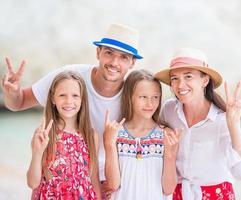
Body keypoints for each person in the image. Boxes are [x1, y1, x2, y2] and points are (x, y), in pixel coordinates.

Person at [1, 23, 143, 195]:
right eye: (109, 53)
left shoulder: (134, 95)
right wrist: (12, 92)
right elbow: (18, 102)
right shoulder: (70, 78)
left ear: (133, 62)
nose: (114, 62)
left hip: (110, 183)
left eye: (123, 57)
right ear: (98, 52)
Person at [154, 47, 241, 200]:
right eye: (175, 78)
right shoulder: (169, 110)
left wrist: (234, 125)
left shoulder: (222, 120)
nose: (180, 85)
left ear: (205, 80)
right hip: (178, 194)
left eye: (188, 77)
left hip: (217, 195)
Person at [103, 70, 180, 199]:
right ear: (129, 97)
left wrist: (170, 156)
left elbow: (168, 189)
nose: (150, 104)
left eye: (155, 97)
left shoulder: (166, 135)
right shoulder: (116, 132)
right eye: (143, 97)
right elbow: (113, 185)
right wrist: (109, 144)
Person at [27, 71, 101, 199]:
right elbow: (32, 183)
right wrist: (38, 152)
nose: (69, 101)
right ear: (52, 98)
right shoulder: (44, 133)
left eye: (75, 95)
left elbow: (94, 179)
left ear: (82, 99)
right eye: (62, 95)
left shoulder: (91, 135)